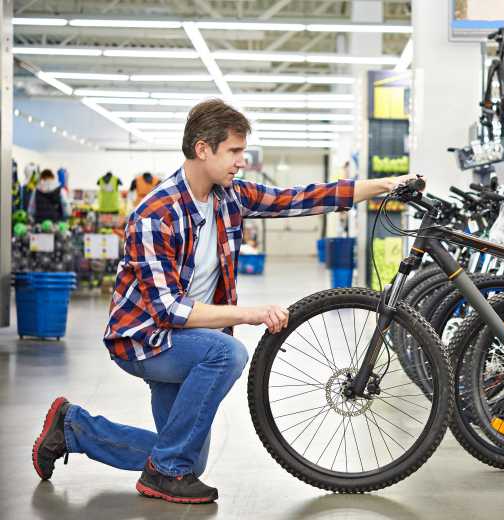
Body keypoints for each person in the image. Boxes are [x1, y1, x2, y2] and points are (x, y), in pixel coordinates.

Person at [31, 99, 419, 505]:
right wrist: (250, 314)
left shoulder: (228, 196)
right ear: (203, 149)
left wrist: (386, 185)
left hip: (187, 338)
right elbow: (170, 311)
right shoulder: (154, 215)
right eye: (234, 151)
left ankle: (72, 427)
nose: (242, 160)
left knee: (184, 459)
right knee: (227, 354)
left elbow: (298, 197)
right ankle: (163, 472)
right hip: (143, 340)